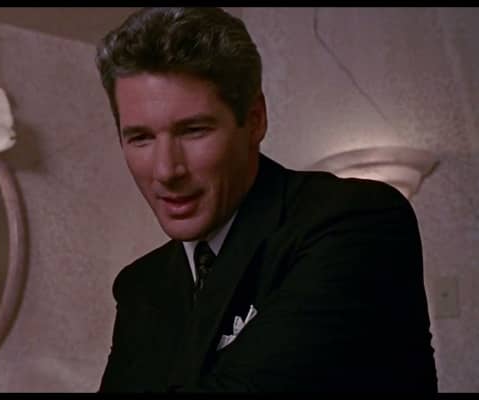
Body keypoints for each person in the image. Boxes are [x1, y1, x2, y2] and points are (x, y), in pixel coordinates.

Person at [93, 7, 437, 392]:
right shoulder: (140, 285)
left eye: (193, 130)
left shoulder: (356, 221)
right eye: (140, 138)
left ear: (255, 120)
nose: (166, 170)